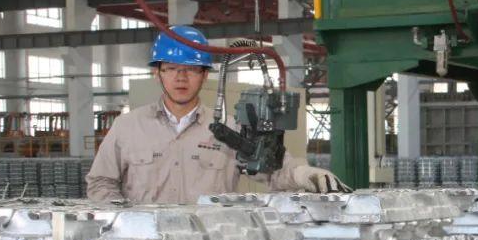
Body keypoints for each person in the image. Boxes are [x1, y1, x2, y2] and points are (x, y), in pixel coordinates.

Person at [87, 26, 349, 204]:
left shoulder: (230, 130)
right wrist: (126, 222)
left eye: (191, 69)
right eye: (172, 68)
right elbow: (100, 183)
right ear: (157, 73)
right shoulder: (127, 127)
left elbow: (273, 170)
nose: (181, 77)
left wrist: (304, 174)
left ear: (204, 75)